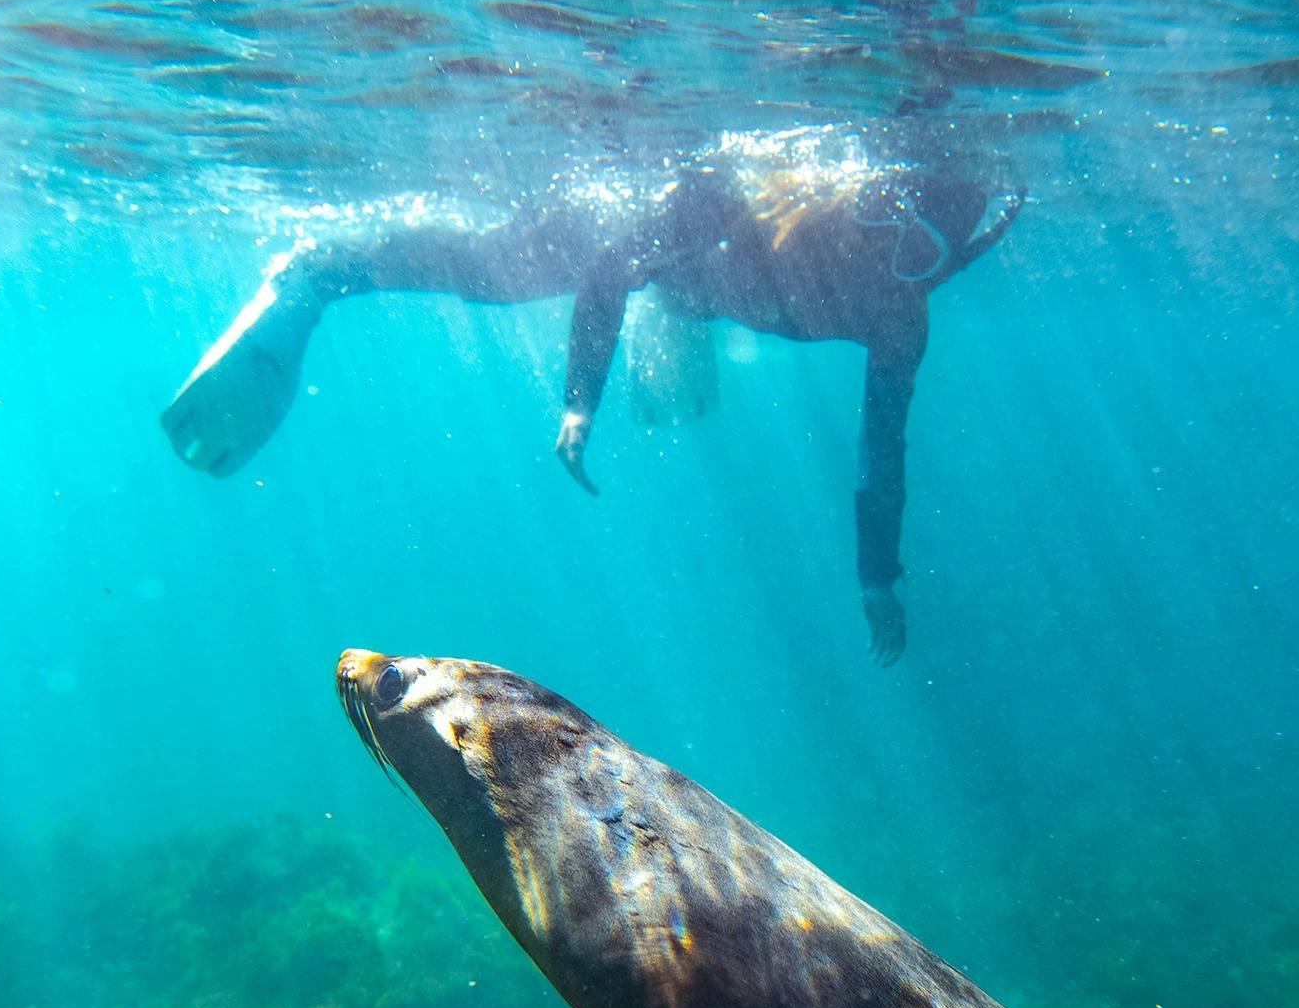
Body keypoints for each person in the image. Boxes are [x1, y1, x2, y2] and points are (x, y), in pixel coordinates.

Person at [161, 132, 1024, 664]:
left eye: (927, 257)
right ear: (857, 210)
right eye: (894, 238)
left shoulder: (900, 316)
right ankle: (318, 275)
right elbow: (609, 273)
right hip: (637, 252)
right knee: (496, 276)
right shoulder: (732, 202)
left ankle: (673, 329)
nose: (897, 268)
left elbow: (883, 449)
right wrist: (580, 405)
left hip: (692, 296)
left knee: (677, 356)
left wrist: (876, 576)